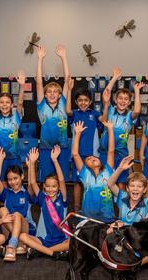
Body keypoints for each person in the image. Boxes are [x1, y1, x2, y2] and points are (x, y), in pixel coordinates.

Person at [108, 155, 148, 265]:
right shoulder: (122, 198)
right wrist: (120, 168)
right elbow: (110, 183)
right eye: (132, 186)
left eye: (139, 186)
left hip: (140, 239)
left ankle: (142, 261)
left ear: (144, 190)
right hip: (124, 237)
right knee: (108, 231)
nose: (135, 189)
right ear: (127, 189)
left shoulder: (147, 203)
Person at [19, 146, 70, 260]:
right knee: (22, 236)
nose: (51, 189)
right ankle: (53, 252)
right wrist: (32, 163)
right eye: (47, 186)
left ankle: (41, 251)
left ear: (58, 188)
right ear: (44, 187)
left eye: (54, 186)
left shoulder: (63, 198)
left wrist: (55, 160)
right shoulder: (43, 198)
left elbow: (61, 180)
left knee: (72, 243)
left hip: (61, 239)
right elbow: (32, 182)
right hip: (44, 239)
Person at [100, 68, 143, 188]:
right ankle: (107, 206)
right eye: (120, 98)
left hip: (121, 154)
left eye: (126, 99)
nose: (123, 101)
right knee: (105, 180)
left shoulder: (130, 116)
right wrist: (114, 78)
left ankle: (121, 206)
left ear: (129, 102)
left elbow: (137, 110)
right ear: (115, 100)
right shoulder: (110, 111)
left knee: (121, 181)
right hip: (105, 152)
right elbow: (106, 95)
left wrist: (137, 92)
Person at [35, 44, 72, 182]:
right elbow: (39, 83)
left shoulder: (63, 102)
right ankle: (46, 203)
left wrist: (63, 58)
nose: (52, 94)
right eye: (49, 91)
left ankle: (62, 202)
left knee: (61, 179)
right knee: (46, 179)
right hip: (45, 148)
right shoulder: (42, 105)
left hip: (62, 147)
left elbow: (67, 80)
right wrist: (40, 60)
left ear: (59, 94)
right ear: (44, 95)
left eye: (55, 91)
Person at [0, 147, 36, 262]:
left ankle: (12, 246)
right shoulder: (6, 193)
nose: (13, 182)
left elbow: (32, 183)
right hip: (10, 228)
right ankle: (19, 243)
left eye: (15, 178)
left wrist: (31, 164)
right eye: (10, 180)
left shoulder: (27, 193)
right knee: (2, 210)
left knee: (17, 214)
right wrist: (0, 159)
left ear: (22, 177)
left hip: (26, 228)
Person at [66, 78, 102, 211]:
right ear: (76, 102)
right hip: (77, 155)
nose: (83, 103)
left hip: (92, 154)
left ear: (90, 102)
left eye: (86, 100)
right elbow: (68, 111)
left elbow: (104, 119)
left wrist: (107, 101)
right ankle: (76, 209)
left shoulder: (94, 114)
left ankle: (91, 207)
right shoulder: (74, 114)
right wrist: (69, 90)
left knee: (92, 182)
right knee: (77, 182)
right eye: (80, 100)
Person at [0, 70, 26, 181]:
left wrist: (22, 86)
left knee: (14, 182)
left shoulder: (16, 118)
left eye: (7, 102)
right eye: (2, 102)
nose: (4, 105)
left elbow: (21, 102)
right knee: (1, 182)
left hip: (14, 157)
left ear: (12, 104)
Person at [72, 120, 115, 221]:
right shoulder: (85, 173)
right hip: (88, 218)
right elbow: (75, 154)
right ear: (86, 165)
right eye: (88, 159)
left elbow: (111, 151)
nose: (92, 158)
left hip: (107, 217)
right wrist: (77, 134)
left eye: (94, 157)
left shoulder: (108, 171)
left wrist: (110, 130)